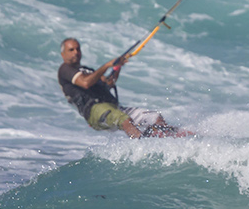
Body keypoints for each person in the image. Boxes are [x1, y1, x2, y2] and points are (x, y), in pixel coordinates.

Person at [57, 37, 187, 138]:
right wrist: (106, 65)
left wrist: (117, 67)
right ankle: (143, 148)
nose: (76, 52)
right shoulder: (65, 69)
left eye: (78, 49)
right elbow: (85, 83)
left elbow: (108, 83)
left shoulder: (88, 70)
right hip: (95, 111)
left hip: (113, 107)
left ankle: (173, 137)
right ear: (63, 54)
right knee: (125, 120)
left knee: (155, 117)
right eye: (71, 50)